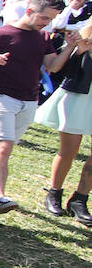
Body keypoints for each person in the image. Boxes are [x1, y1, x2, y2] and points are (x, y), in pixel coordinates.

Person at [0, 0, 75, 214]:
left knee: (0, 145)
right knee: (4, 147)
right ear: (29, 11)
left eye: (50, 20)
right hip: (0, 96)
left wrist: (69, 48)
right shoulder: (0, 34)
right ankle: (0, 197)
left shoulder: (43, 38)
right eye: (44, 18)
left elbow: (53, 66)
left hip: (29, 100)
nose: (46, 23)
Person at [35, 18, 92, 223]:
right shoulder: (83, 35)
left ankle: (80, 199)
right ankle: (54, 192)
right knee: (69, 150)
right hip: (78, 97)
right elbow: (64, 72)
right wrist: (80, 51)